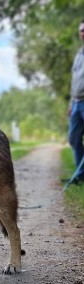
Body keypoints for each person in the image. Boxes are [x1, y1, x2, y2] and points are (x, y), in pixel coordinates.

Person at [68, 19, 84, 183]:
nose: (83, 32)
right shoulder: (79, 54)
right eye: (81, 30)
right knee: (73, 138)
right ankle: (80, 174)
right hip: (77, 102)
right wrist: (71, 103)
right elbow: (75, 80)